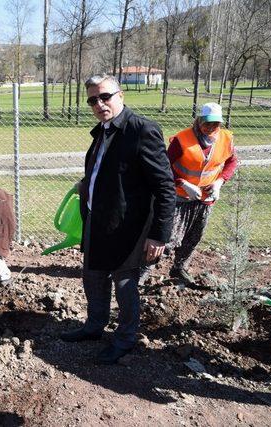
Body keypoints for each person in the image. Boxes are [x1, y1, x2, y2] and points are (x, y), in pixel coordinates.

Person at [60, 74, 175, 365]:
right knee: (93, 276)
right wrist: (88, 184)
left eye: (105, 96)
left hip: (130, 228)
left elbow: (164, 187)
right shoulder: (102, 130)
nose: (99, 104)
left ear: (120, 95)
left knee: (125, 286)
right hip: (98, 223)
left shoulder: (142, 130)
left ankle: (124, 340)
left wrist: (159, 234)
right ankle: (94, 327)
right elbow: (108, 170)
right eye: (92, 100)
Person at [165, 102, 238, 283]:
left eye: (216, 124)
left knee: (194, 237)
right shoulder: (181, 140)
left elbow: (232, 161)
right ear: (199, 121)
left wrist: (220, 182)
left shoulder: (225, 138)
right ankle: (142, 272)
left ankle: (179, 269)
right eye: (207, 123)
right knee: (167, 238)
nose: (211, 128)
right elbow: (164, 166)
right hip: (180, 196)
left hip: (205, 198)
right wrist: (183, 183)